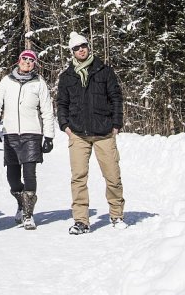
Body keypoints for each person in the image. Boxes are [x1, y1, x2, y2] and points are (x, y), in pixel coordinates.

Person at [56, 31, 126, 234]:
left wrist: (116, 124)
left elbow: (116, 98)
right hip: (78, 133)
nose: (81, 50)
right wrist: (65, 125)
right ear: (72, 51)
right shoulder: (67, 76)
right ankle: (81, 220)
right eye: (76, 48)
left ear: (88, 46)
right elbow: (61, 103)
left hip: (104, 132)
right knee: (78, 177)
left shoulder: (104, 71)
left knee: (113, 176)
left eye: (83, 46)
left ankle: (117, 214)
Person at [0, 48, 53, 230]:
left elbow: (47, 110)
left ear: (35, 64)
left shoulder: (39, 83)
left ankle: (28, 214)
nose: (27, 62)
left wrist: (48, 136)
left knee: (30, 174)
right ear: (18, 61)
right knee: (13, 178)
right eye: (24, 59)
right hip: (10, 134)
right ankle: (21, 200)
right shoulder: (6, 81)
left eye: (31, 60)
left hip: (32, 133)